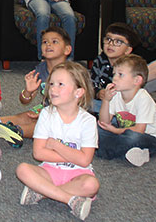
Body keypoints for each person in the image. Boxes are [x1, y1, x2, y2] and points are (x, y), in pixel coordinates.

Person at [16, 61, 99, 221]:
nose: (53, 89)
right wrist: (75, 155)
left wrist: (55, 145)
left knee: (92, 185)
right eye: (52, 83)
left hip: (78, 174)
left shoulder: (88, 121)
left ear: (78, 92)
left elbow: (85, 161)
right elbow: (38, 153)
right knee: (22, 169)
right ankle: (70, 199)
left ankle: (42, 193)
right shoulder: (47, 114)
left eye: (60, 84)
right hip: (49, 170)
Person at [0, 26, 71, 143]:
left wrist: (49, 113)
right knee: (25, 116)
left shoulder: (72, 72)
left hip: (67, 114)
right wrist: (28, 91)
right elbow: (24, 101)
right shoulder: (40, 69)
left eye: (54, 42)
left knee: (44, 123)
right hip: (46, 109)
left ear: (67, 49)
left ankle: (17, 131)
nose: (48, 45)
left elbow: (75, 104)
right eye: (45, 42)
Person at [97, 55, 156, 167]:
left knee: (132, 137)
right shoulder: (116, 94)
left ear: (137, 80)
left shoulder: (143, 97)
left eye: (120, 75)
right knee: (97, 128)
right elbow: (104, 122)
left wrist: (114, 131)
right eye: (114, 74)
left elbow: (139, 130)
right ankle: (130, 152)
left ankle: (108, 150)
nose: (114, 78)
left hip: (150, 137)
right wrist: (106, 100)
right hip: (122, 131)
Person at [90, 23, 140, 111]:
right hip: (102, 100)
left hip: (122, 103)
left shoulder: (130, 66)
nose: (111, 44)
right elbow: (92, 82)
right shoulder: (100, 60)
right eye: (108, 39)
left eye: (118, 42)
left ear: (128, 50)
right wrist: (98, 93)